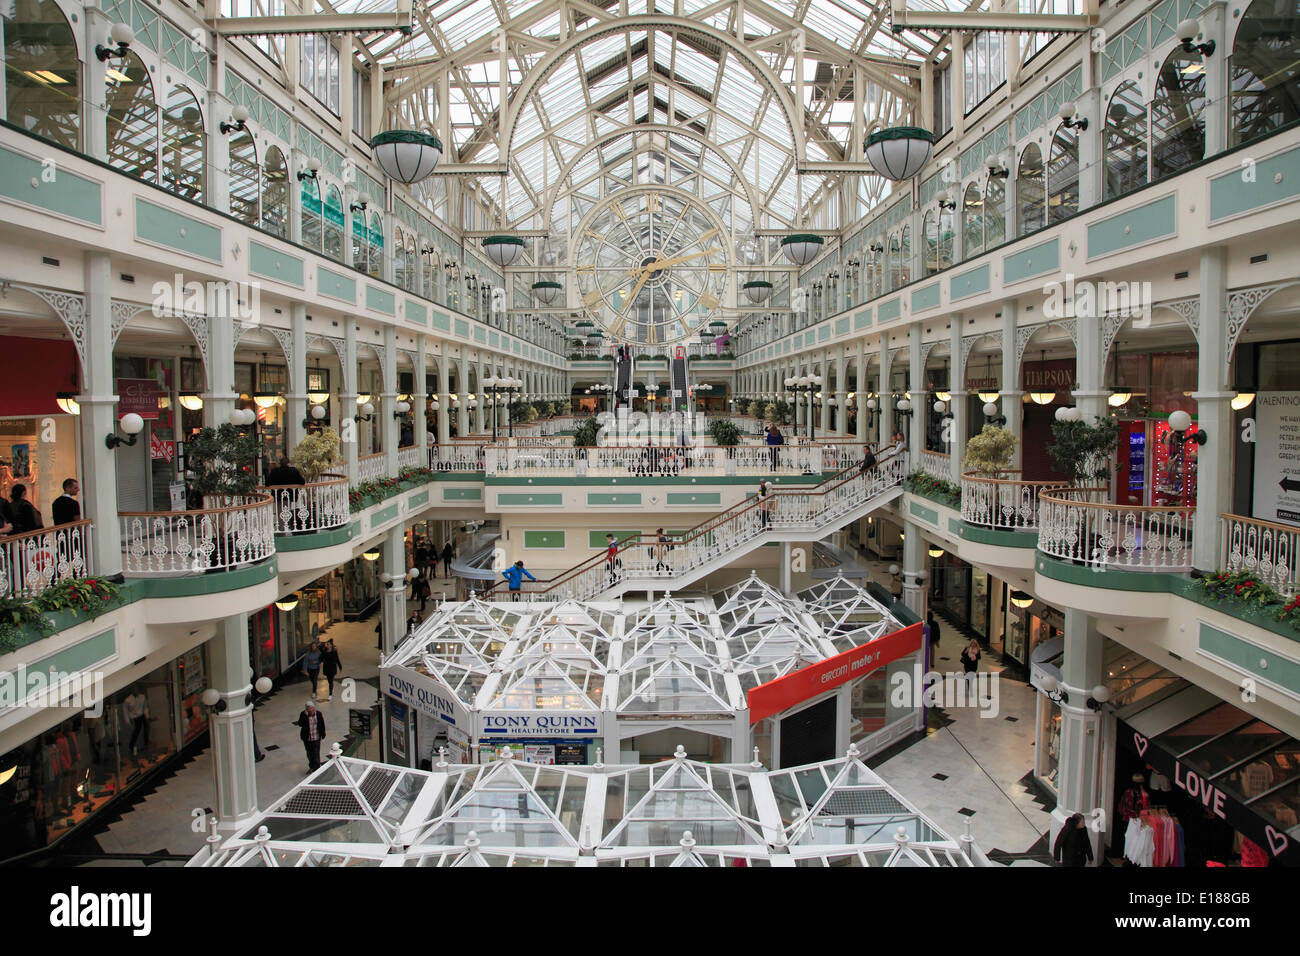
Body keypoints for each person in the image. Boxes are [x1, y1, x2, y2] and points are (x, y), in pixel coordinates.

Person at [293, 700, 326, 772]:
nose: (310, 710)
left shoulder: (318, 714)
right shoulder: (303, 714)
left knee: (316, 753)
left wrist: (323, 733)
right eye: (308, 709)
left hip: (316, 737)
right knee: (309, 753)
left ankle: (317, 769)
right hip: (307, 738)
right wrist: (305, 716)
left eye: (311, 708)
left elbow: (322, 724)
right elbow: (300, 724)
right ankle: (312, 767)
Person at [123, 686, 149, 757]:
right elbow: (125, 712)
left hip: (142, 714)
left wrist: (147, 716)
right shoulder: (128, 700)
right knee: (137, 730)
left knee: (145, 728)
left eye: (136, 689)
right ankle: (132, 745)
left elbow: (145, 707)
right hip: (135, 717)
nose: (135, 691)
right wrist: (128, 721)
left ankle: (146, 743)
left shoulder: (142, 697)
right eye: (134, 690)